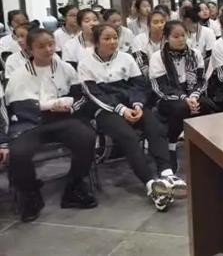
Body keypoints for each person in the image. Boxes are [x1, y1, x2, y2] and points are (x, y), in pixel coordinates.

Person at [78, 24, 186, 211]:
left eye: (115, 37)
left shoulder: (126, 58)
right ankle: (151, 184)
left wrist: (137, 104)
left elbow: (139, 86)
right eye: (107, 38)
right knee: (128, 137)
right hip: (105, 110)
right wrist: (121, 110)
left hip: (133, 105)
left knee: (155, 127)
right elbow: (94, 94)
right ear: (96, 42)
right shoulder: (85, 63)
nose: (113, 42)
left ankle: (167, 173)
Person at [5, 28, 97, 222]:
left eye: (51, 44)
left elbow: (80, 96)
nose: (48, 49)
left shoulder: (65, 68)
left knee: (86, 137)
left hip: (62, 119)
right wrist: (48, 105)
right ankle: (30, 194)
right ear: (30, 49)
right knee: (19, 152)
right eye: (41, 46)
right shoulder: (19, 74)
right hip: (30, 123)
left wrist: (69, 106)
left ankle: (74, 186)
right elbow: (18, 106)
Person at [149, 21, 217, 171]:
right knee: (181, 108)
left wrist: (193, 96)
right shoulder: (158, 57)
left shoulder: (195, 54)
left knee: (209, 105)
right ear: (166, 38)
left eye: (183, 35)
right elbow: (160, 88)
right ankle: (171, 145)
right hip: (167, 98)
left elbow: (201, 81)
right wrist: (184, 98)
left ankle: (204, 146)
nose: (181, 39)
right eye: (176, 36)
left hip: (191, 94)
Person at [132, 9, 167, 76]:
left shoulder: (169, 38)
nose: (160, 25)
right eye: (155, 22)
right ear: (148, 24)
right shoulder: (139, 39)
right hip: (146, 76)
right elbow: (142, 65)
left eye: (162, 22)